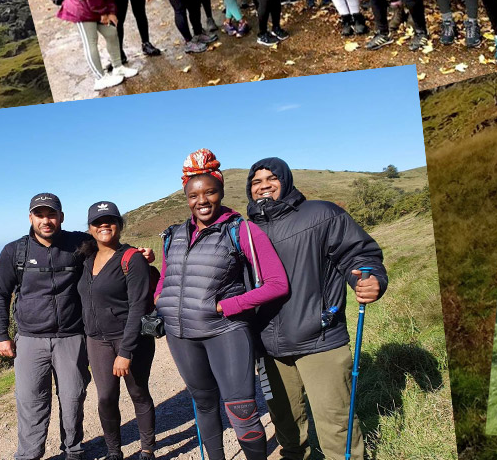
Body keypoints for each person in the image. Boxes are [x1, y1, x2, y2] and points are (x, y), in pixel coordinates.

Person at [246, 158, 386, 460]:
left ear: (286, 180)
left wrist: (370, 277)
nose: (264, 186)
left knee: (335, 423)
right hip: (269, 347)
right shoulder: (244, 230)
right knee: (286, 424)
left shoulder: (322, 214)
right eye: (256, 182)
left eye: (271, 178)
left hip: (320, 338)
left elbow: (358, 255)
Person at [156, 150, 288, 460]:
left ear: (221, 191)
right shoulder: (172, 235)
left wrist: (226, 307)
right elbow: (166, 277)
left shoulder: (240, 230)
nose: (201, 200)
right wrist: (160, 299)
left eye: (209, 192)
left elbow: (277, 284)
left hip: (225, 331)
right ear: (186, 198)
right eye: (193, 195)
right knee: (203, 402)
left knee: (241, 409)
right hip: (181, 335)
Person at [0, 192, 96, 460]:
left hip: (71, 336)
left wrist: (137, 253)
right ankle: (29, 455)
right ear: (30, 218)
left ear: (61, 217)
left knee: (73, 399)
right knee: (31, 403)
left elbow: (110, 245)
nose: (46, 220)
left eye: (51, 214)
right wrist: (1, 335)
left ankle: (73, 451)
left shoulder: (79, 243)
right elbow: (0, 294)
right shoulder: (14, 251)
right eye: (39, 215)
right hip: (29, 339)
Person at [80, 200, 159, 460]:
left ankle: (147, 448)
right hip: (97, 340)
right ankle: (114, 451)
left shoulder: (132, 258)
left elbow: (137, 307)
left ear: (120, 225)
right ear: (90, 228)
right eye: (98, 222)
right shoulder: (85, 259)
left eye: (111, 220)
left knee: (138, 392)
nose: (104, 225)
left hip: (130, 339)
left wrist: (126, 351)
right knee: (105, 398)